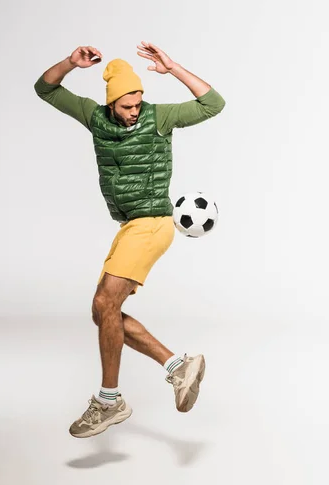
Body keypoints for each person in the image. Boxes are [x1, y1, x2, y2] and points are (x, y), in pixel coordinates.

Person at [34, 41, 225, 438]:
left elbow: (213, 103)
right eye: (126, 106)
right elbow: (45, 88)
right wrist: (71, 63)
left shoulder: (159, 117)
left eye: (138, 104)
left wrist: (172, 67)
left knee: (105, 302)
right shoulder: (94, 117)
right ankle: (177, 367)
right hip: (128, 227)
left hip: (153, 222)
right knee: (103, 312)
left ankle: (109, 401)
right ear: (110, 103)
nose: (133, 112)